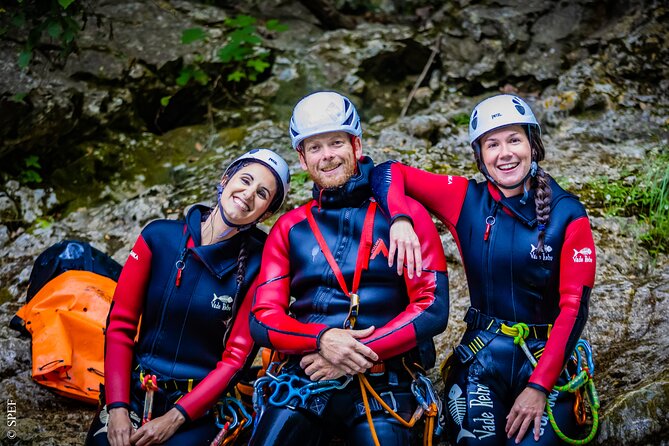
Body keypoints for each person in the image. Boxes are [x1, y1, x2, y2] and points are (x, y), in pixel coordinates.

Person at [370, 94, 597, 445]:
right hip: (481, 357)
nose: (505, 153)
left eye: (514, 140)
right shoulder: (466, 199)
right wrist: (400, 218)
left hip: (544, 359)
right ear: (480, 157)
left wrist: (538, 387)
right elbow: (387, 172)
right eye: (492, 144)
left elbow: (574, 308)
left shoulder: (568, 213)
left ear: (533, 146)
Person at [247, 91, 450, 446]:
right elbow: (262, 318)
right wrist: (322, 340)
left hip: (387, 381)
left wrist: (351, 356)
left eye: (336, 143)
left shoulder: (405, 216)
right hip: (306, 378)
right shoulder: (290, 228)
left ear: (356, 145)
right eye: (315, 147)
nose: (327, 156)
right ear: (302, 157)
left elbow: (433, 308)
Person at [84, 148, 290, 446]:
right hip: (136, 392)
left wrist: (176, 417)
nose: (248, 194)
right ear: (225, 179)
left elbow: (236, 359)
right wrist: (117, 407)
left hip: (199, 407)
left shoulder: (260, 266)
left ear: (267, 213)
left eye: (261, 193)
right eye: (244, 180)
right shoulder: (158, 237)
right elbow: (120, 324)